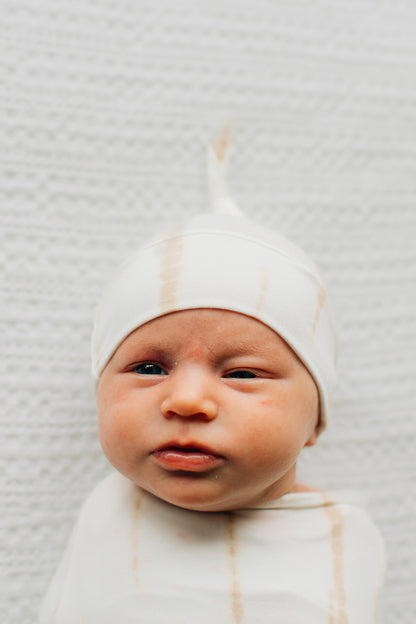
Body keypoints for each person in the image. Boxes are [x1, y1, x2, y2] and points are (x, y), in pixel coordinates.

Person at [39, 131, 385, 623]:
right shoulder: (108, 519)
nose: (186, 400)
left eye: (243, 373)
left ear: (315, 419)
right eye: (149, 368)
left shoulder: (336, 544)